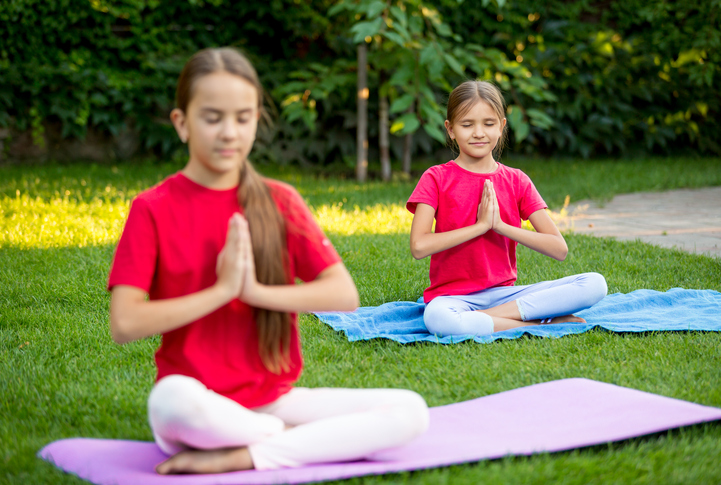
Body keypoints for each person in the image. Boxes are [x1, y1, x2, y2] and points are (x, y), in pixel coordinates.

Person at [108, 47, 428, 475]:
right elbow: (124, 323)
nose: (228, 133)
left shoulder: (280, 201)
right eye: (212, 117)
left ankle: (248, 453)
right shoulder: (153, 208)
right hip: (196, 407)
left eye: (243, 118)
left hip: (273, 400)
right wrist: (221, 291)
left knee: (410, 410)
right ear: (182, 124)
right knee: (170, 399)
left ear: (257, 121)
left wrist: (254, 291)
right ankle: (295, 442)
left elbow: (343, 295)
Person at [407, 80, 607, 337]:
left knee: (594, 284)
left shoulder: (517, 180)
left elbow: (559, 249)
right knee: (437, 318)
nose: (479, 133)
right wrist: (480, 227)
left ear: (501, 127)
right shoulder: (435, 178)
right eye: (467, 125)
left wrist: (500, 226)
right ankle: (536, 324)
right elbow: (419, 246)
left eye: (488, 124)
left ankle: (483, 320)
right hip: (453, 298)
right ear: (451, 130)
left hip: (506, 296)